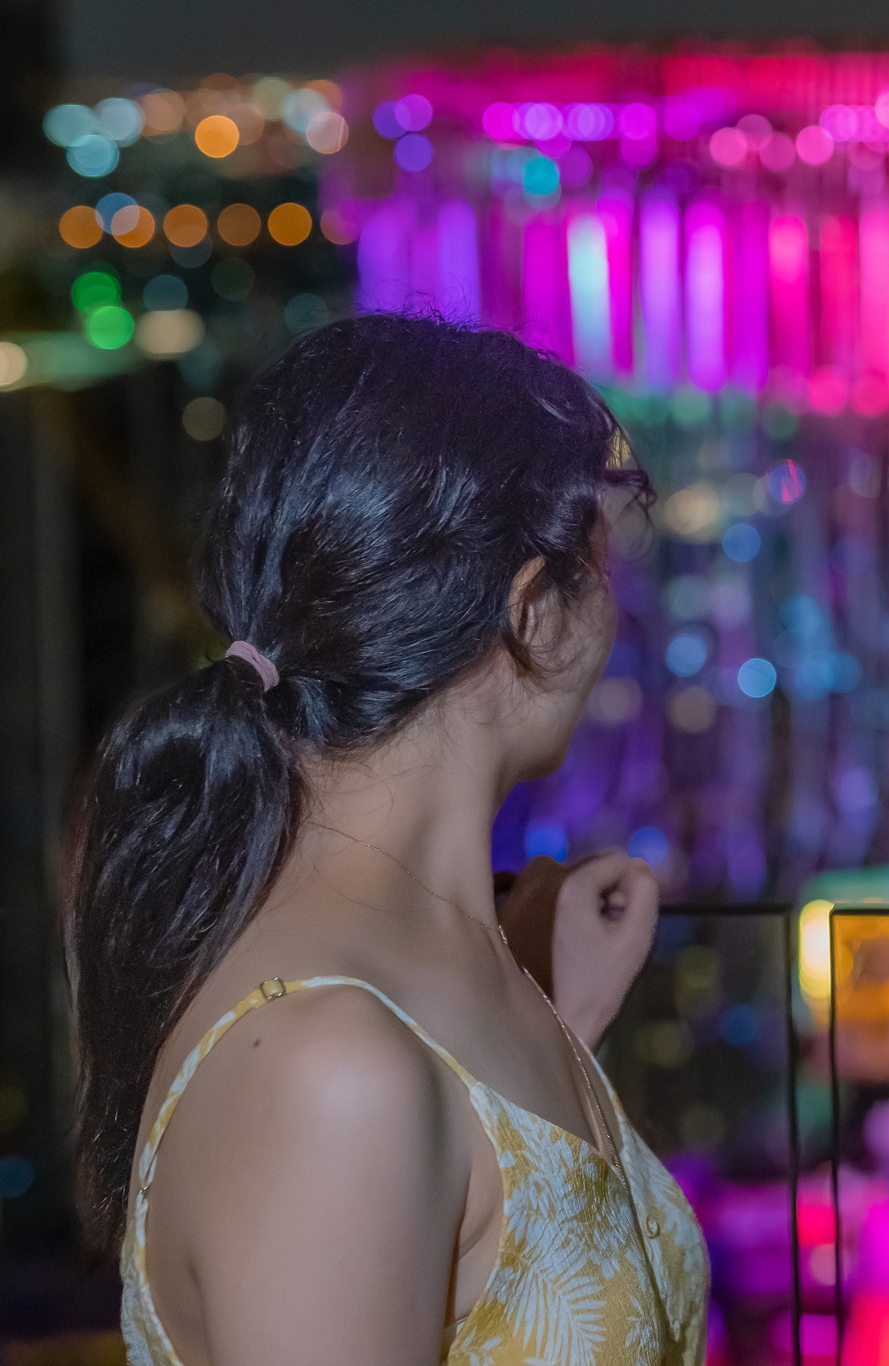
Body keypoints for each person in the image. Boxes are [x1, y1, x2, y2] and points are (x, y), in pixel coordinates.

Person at [66, 314, 707, 1366]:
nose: (616, 622)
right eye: (603, 573)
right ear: (531, 611)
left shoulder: (434, 999)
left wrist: (558, 1021)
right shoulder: (328, 1068)